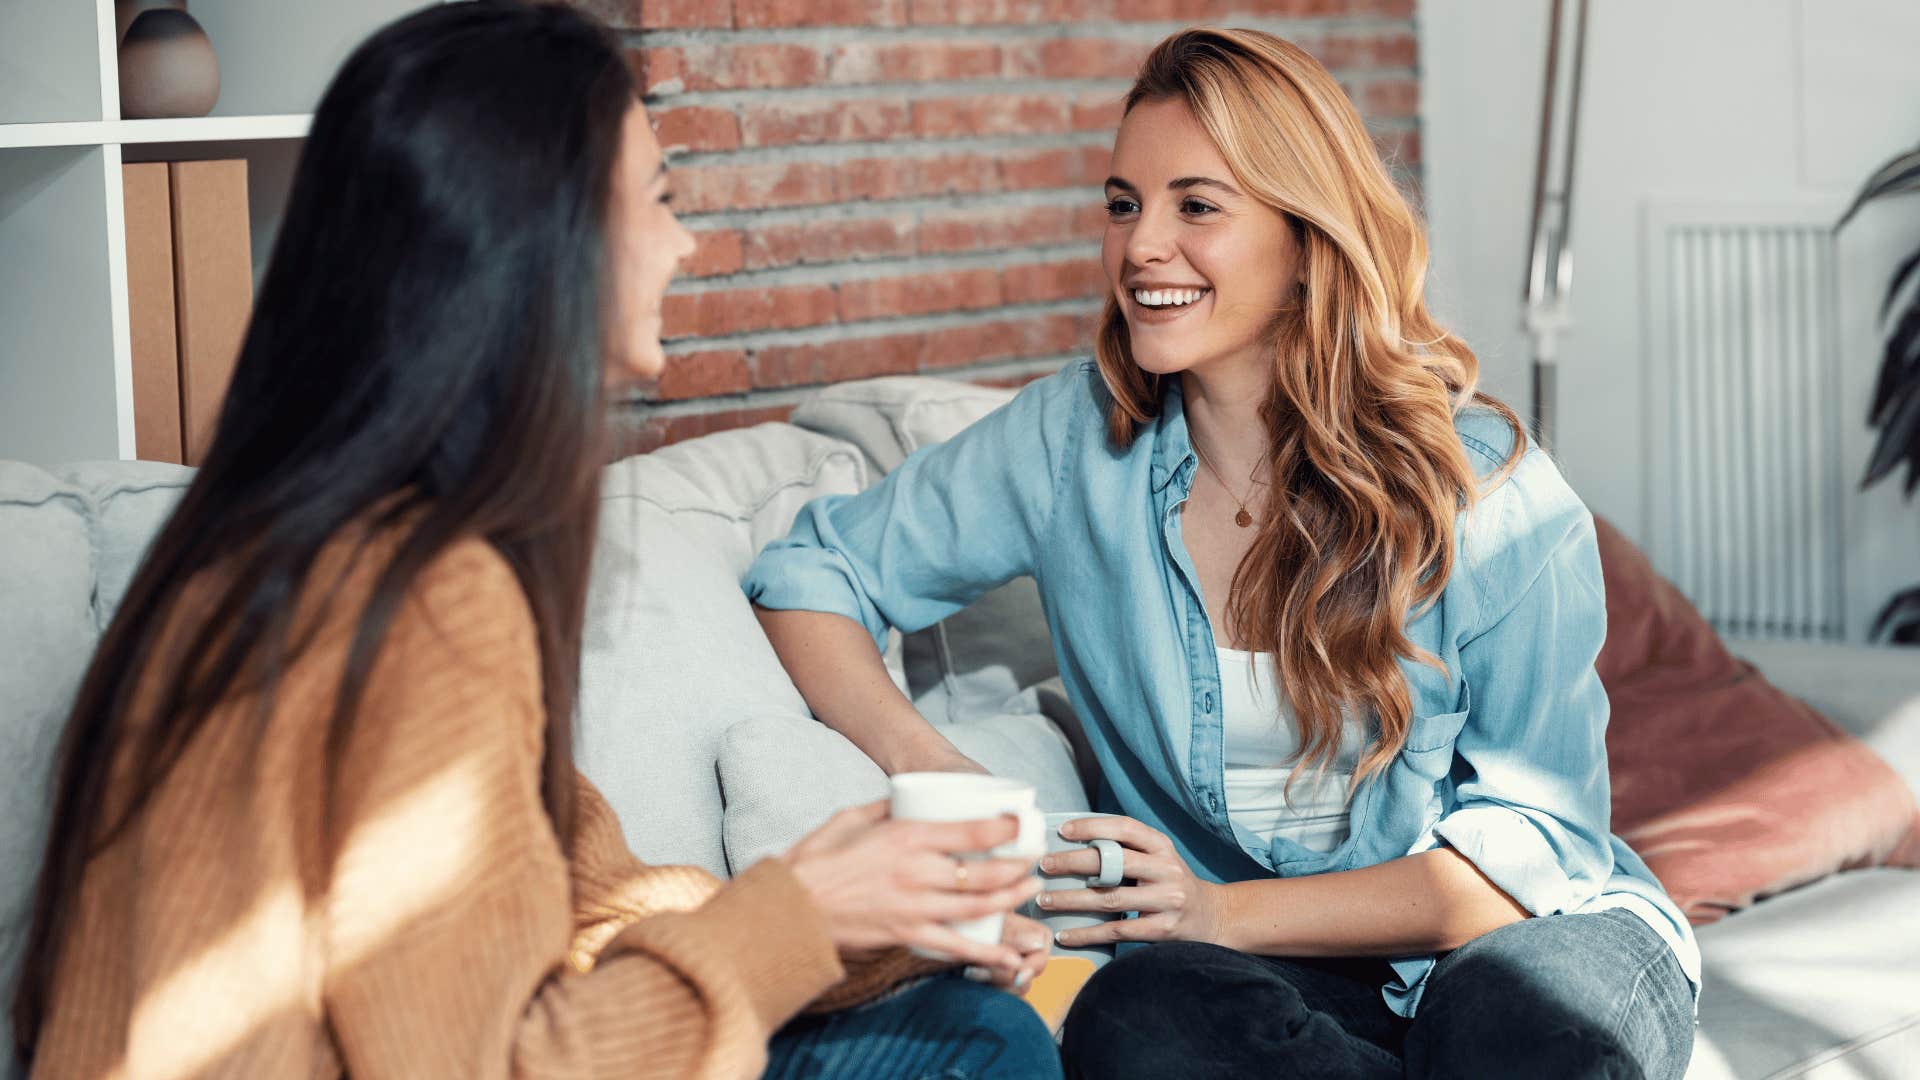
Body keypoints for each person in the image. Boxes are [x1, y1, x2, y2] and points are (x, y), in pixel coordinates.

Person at [8, 4, 1060, 1077]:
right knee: (979, 1048)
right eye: (660, 198)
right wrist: (801, 913)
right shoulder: (420, 595)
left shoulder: (324, 540)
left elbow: (589, 900)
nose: (685, 243)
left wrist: (857, 921)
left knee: (968, 1030)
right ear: (546, 238)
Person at [745, 27, 1700, 1080]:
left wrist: (1218, 908)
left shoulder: (1489, 492)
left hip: (1525, 931)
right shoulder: (1070, 445)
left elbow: (1535, 856)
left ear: (1305, 237)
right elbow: (810, 576)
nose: (1142, 245)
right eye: (1123, 204)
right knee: (1141, 1018)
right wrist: (948, 774)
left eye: (1196, 206)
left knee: (1513, 1028)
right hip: (1272, 967)